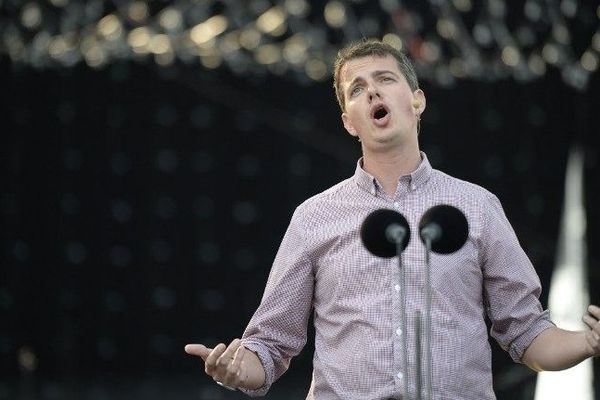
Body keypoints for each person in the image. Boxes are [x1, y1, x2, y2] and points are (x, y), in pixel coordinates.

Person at [185, 39, 600, 399]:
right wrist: (237, 371)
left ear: (416, 100)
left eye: (384, 79)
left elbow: (527, 334)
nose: (371, 93)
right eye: (357, 89)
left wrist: (588, 341)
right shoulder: (314, 217)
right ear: (349, 122)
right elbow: (271, 345)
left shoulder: (477, 206)